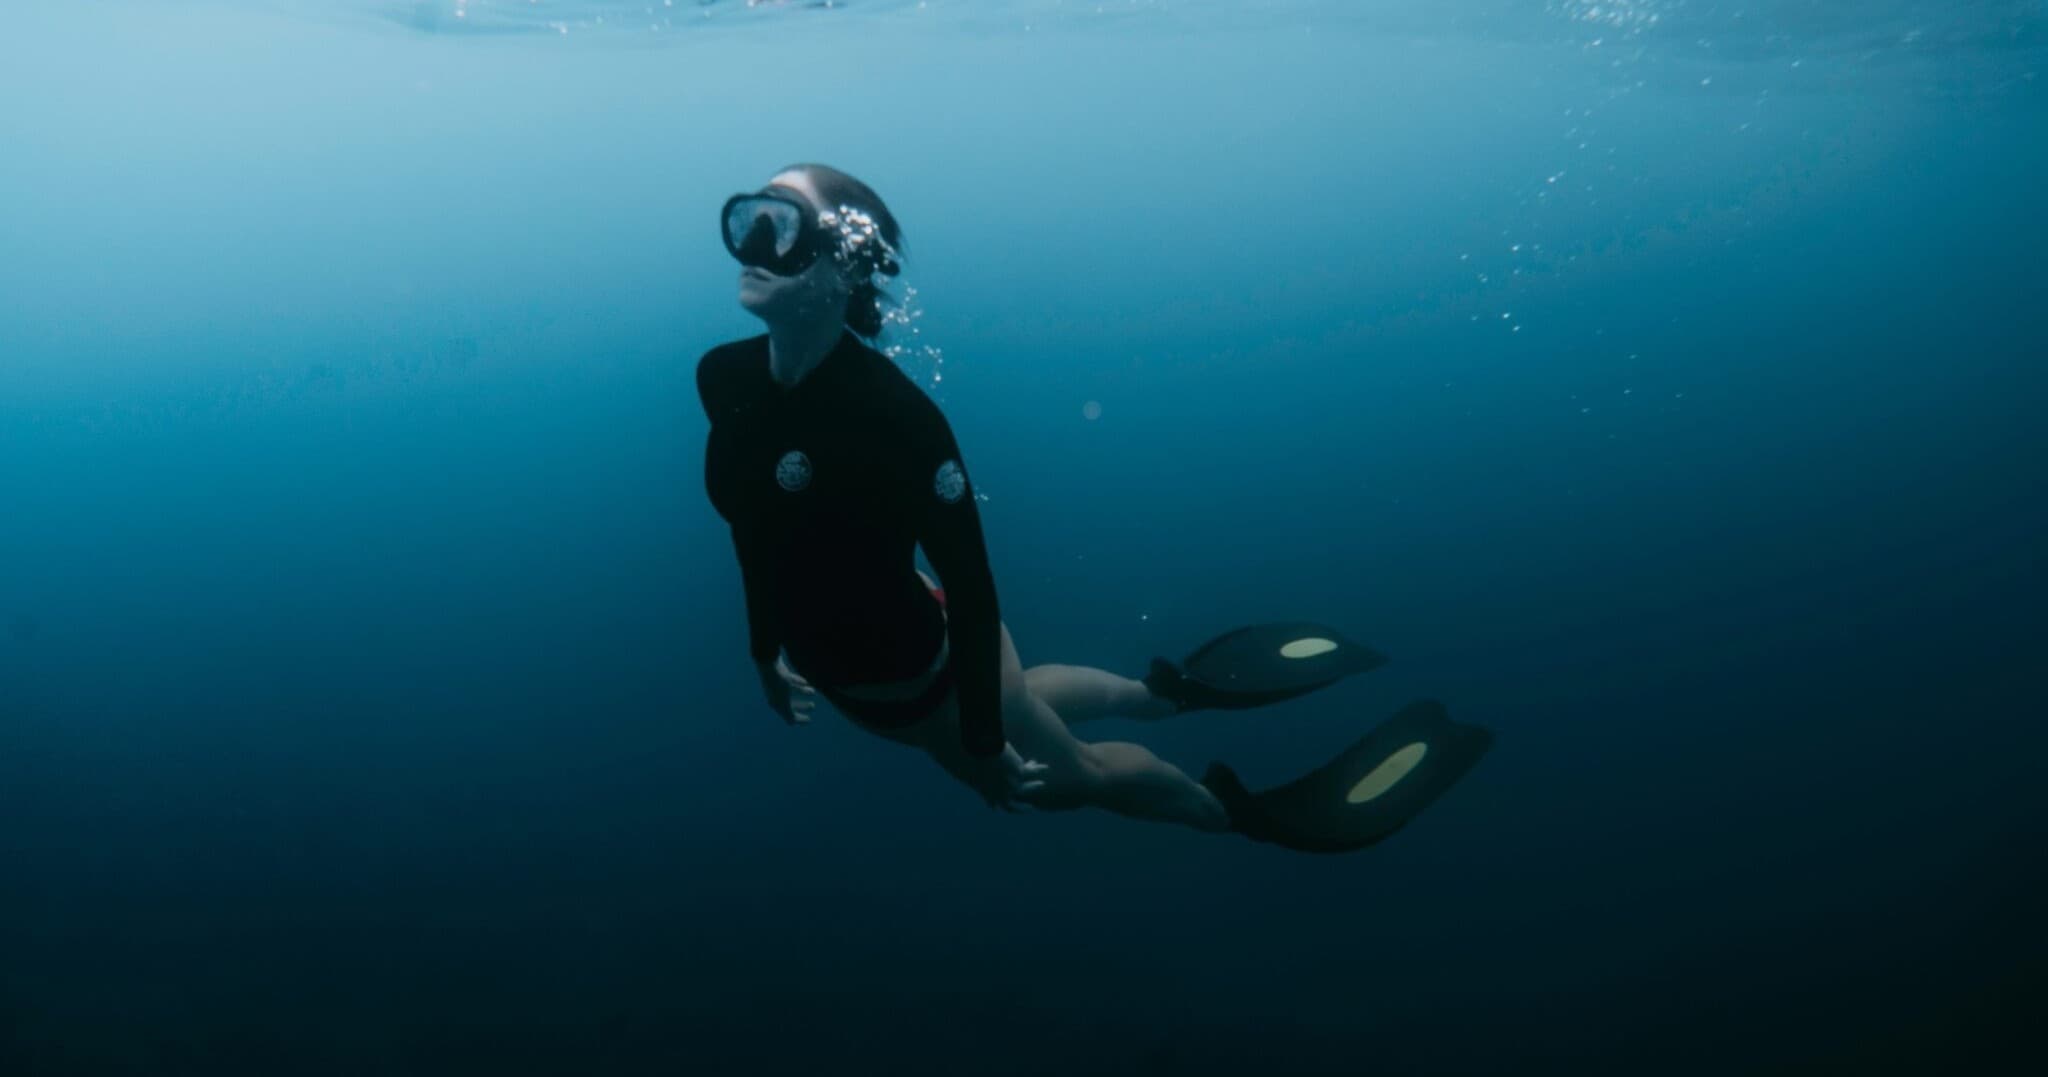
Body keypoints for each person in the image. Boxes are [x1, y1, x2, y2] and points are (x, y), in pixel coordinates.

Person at [697, 164, 1492, 852]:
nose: (756, 246)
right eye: (751, 218)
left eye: (784, 226)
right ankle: (1167, 694)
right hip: (881, 685)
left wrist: (980, 741)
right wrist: (763, 651)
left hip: (937, 683)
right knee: (1027, 696)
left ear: (843, 266)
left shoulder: (900, 422)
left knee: (1076, 775)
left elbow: (973, 592)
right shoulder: (722, 379)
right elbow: (755, 526)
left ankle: (1234, 813)